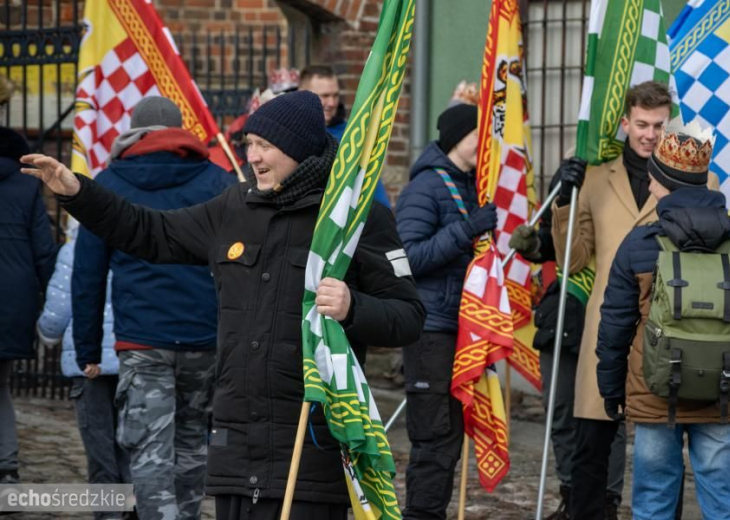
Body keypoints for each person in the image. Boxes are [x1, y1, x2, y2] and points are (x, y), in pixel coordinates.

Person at [21, 89, 425, 520]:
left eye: (265, 146)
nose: (253, 156)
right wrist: (76, 192)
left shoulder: (355, 218)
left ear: (299, 148)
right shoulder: (235, 206)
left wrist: (353, 307)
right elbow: (148, 231)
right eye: (249, 144)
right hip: (237, 447)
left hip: (308, 449)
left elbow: (408, 317)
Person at [550, 81, 718, 519]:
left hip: (672, 328)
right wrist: (562, 201)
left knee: (663, 453)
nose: (649, 134)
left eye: (659, 125)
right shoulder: (594, 178)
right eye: (641, 124)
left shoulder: (702, 180)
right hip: (606, 330)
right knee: (591, 447)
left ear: (669, 125)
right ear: (625, 122)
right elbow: (575, 258)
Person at [596, 130, 730, 519]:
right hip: (724, 395)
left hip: (655, 393)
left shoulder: (639, 244)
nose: (649, 182)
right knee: (723, 507)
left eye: (653, 175)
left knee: (653, 506)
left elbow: (614, 326)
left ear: (662, 182)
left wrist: (612, 390)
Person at [70, 96, 236, 520]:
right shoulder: (218, 181)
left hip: (142, 339)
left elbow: (88, 274)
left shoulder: (108, 184)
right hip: (204, 335)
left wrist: (87, 349)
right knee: (193, 440)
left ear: (132, 132)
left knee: (148, 448)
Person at [395, 103, 498, 519]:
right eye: (481, 135)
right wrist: (466, 229)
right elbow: (406, 259)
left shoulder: (472, 182)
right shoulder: (427, 187)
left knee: (450, 439)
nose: (487, 144)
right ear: (460, 137)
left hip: (462, 327)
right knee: (435, 440)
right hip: (431, 331)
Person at [508, 158, 588, 519]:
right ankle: (570, 496)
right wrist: (558, 200)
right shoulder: (578, 169)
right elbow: (551, 246)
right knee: (561, 411)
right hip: (564, 314)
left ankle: (605, 502)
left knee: (606, 420)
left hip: (608, 313)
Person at [37, 220, 132, 520]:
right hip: (134, 355)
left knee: (100, 454)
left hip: (87, 363)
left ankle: (109, 516)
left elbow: (59, 306)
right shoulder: (137, 241)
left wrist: (48, 333)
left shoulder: (75, 246)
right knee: (133, 448)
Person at [0, 126, 57, 484]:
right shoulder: (26, 187)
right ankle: (6, 465)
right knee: (1, 385)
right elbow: (44, 252)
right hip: (13, 301)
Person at [299, 64, 391, 208]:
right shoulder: (290, 135)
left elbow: (372, 190)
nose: (331, 103)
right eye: (324, 96)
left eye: (335, 95)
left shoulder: (353, 137)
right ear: (303, 94)